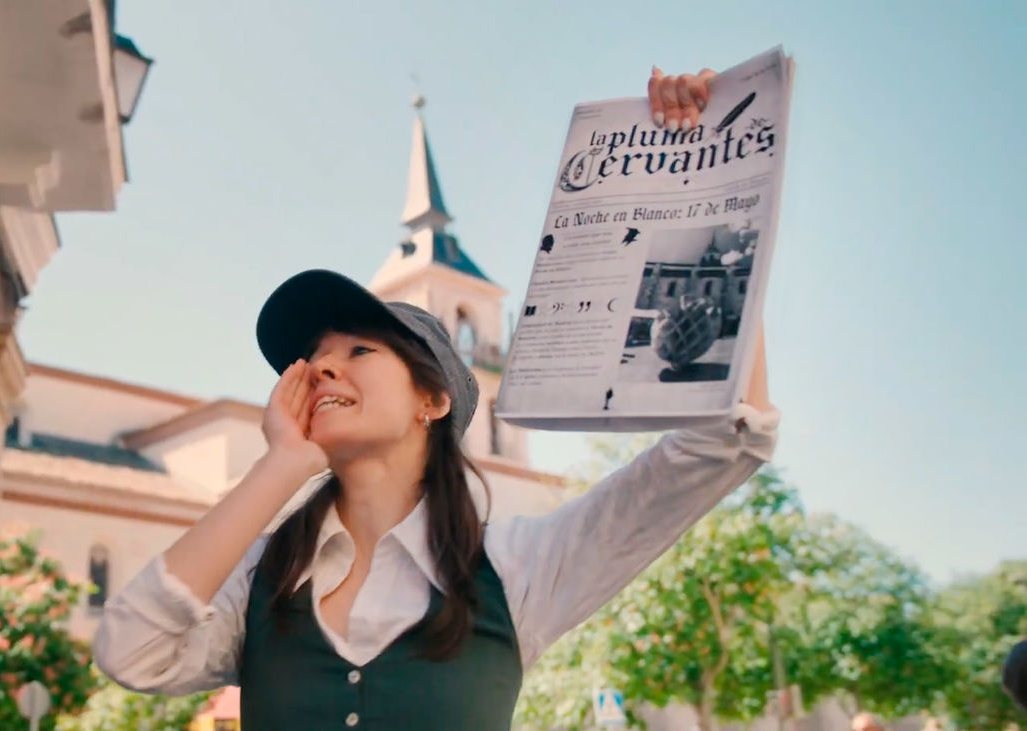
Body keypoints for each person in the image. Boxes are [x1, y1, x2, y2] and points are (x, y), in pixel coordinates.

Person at [94, 68, 777, 729]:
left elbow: (724, 440)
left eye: (359, 350)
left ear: (434, 399)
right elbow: (129, 651)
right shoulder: (261, 573)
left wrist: (713, 183)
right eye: (316, 358)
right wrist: (279, 466)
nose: (326, 368)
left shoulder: (519, 567)